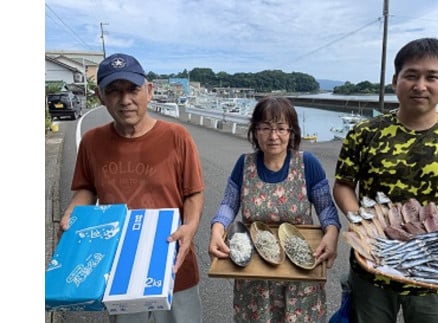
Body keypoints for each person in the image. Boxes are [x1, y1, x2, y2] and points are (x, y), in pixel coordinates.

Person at [333, 37, 438, 323]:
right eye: (411, 75)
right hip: (374, 268)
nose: (420, 85)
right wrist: (360, 222)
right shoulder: (364, 133)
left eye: (431, 77)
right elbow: (344, 185)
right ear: (396, 79)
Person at [59, 53, 205, 323]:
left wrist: (191, 226)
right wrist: (73, 215)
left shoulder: (177, 137)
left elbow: (193, 192)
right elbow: (87, 189)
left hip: (173, 266)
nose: (125, 100)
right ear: (101, 95)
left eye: (133, 90)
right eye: (114, 91)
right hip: (119, 273)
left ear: (148, 91)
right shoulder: (92, 142)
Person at [208, 96, 342, 322]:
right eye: (265, 128)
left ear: (292, 131)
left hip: (299, 274)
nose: (273, 136)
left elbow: (326, 208)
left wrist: (332, 234)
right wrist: (217, 228)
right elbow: (228, 204)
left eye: (281, 128)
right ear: (255, 130)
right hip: (255, 274)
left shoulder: (307, 163)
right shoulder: (244, 164)